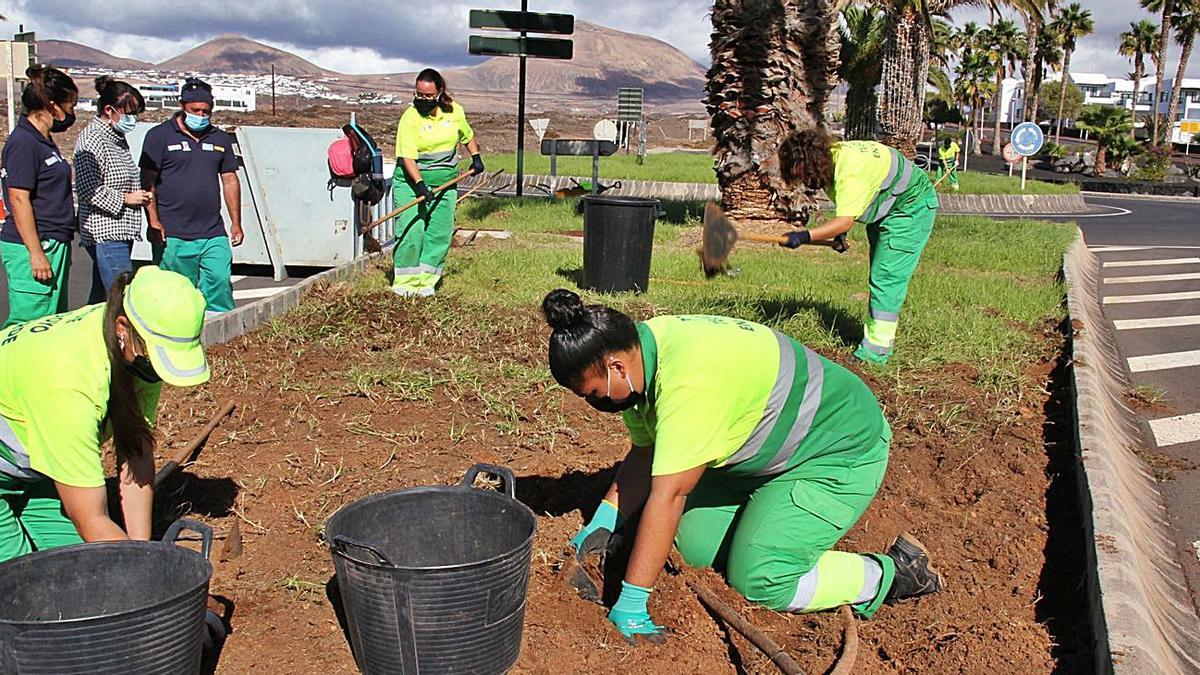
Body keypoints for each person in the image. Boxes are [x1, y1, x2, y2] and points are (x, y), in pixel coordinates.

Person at [542, 289, 942, 644]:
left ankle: (890, 574)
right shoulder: (639, 358)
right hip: (762, 456)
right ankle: (771, 525)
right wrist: (602, 523)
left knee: (761, 579)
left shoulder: (688, 382)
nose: (594, 403)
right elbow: (645, 453)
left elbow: (671, 493)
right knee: (693, 546)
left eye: (592, 394)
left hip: (837, 452)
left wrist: (631, 602)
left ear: (614, 367)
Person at [0, 266, 210, 562]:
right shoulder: (70, 383)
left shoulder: (133, 344)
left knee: (82, 563)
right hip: (19, 459)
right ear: (122, 328)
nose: (156, 374)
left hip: (34, 471)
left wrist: (142, 552)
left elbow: (135, 449)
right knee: (22, 586)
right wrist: (148, 577)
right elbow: (92, 519)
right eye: (156, 360)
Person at [777, 129, 939, 365]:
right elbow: (850, 205)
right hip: (889, 209)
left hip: (911, 210)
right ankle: (874, 337)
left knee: (886, 277)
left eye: (799, 173)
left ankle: (875, 353)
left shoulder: (848, 169)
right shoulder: (831, 160)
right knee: (881, 276)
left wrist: (804, 236)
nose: (800, 180)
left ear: (808, 161)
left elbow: (844, 219)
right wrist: (840, 235)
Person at [139, 77, 243, 315]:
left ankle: (219, 334)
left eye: (206, 111)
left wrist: (236, 223)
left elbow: (229, 180)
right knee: (177, 294)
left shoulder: (219, 139)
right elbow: (148, 182)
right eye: (195, 110)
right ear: (182, 105)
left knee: (219, 281)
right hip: (174, 233)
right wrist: (153, 221)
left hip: (212, 232)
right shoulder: (159, 136)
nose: (201, 115)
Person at [391, 68, 484, 297]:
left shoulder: (454, 111)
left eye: (428, 96)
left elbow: (467, 135)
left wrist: (476, 157)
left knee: (439, 233)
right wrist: (421, 185)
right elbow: (408, 158)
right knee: (412, 231)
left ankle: (426, 282)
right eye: (419, 95)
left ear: (439, 92)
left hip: (446, 184)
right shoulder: (410, 118)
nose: (422, 100)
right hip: (411, 184)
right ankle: (405, 284)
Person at [0, 65, 78, 328]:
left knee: (50, 323)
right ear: (53, 106)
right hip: (34, 243)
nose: (71, 114)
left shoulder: (44, 141)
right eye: (70, 106)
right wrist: (35, 252)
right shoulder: (24, 142)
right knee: (28, 322)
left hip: (54, 240)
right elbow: (19, 199)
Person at [75, 76, 153, 303]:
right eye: (129, 113)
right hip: (105, 231)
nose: (133, 120)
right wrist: (127, 198)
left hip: (122, 228)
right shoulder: (92, 139)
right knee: (120, 296)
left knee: (102, 297)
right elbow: (89, 190)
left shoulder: (116, 138)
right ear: (109, 110)